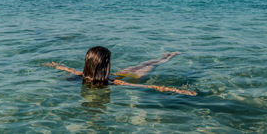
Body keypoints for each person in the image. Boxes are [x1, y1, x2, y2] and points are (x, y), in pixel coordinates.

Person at [45, 46, 197, 96]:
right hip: (125, 76)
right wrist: (178, 91)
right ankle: (166, 57)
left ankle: (164, 57)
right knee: (148, 65)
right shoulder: (113, 82)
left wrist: (55, 65)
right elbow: (147, 87)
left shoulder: (81, 75)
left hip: (120, 74)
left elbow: (69, 69)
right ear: (104, 66)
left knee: (146, 64)